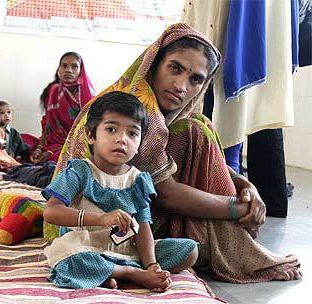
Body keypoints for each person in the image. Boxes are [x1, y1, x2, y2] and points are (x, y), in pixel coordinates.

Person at [55, 23, 302, 283]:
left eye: (195, 79)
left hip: (131, 229)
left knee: (199, 126)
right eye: (175, 68)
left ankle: (137, 264)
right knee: (196, 131)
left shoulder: (166, 112)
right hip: (86, 230)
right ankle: (232, 250)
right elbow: (167, 194)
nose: (181, 86)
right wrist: (237, 208)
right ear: (154, 64)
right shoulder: (138, 111)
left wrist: (245, 185)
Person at [43, 91, 198, 290]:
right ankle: (130, 273)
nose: (122, 139)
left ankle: (113, 273)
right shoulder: (80, 171)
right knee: (64, 254)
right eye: (111, 129)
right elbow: (51, 211)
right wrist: (101, 219)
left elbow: (143, 227)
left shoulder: (139, 180)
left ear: (140, 143)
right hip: (84, 246)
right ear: (91, 135)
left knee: (189, 251)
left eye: (132, 133)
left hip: (126, 249)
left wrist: (152, 265)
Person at [30, 52, 95, 164]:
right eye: (64, 66)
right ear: (58, 69)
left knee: (74, 159)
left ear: (81, 70)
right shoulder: (54, 91)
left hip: (83, 143)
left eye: (74, 66)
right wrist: (39, 148)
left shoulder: (90, 96)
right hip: (57, 143)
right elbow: (49, 123)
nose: (68, 70)